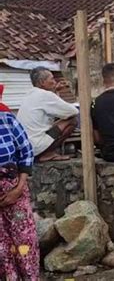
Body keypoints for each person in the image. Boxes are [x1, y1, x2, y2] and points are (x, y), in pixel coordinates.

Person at [0, 110, 39, 280]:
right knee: (1, 243)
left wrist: (18, 189)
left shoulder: (7, 120)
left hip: (14, 188)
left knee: (24, 238)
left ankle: (30, 277)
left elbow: (26, 152)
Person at [17, 67, 79, 162]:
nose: (54, 82)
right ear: (42, 82)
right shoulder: (45, 95)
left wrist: (55, 91)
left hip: (26, 146)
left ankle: (45, 153)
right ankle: (48, 153)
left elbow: (52, 107)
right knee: (72, 120)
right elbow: (73, 111)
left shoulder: (29, 94)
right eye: (52, 79)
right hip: (36, 145)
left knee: (57, 122)